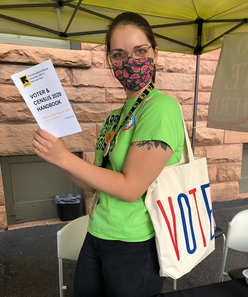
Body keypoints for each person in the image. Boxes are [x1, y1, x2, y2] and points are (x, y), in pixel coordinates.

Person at [32, 11, 184, 297]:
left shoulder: (160, 108)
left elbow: (130, 188)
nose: (131, 61)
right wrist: (58, 156)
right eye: (119, 54)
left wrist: (65, 157)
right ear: (109, 61)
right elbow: (93, 182)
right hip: (98, 233)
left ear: (155, 52)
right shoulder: (115, 117)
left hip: (135, 243)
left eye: (140, 51)